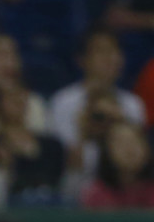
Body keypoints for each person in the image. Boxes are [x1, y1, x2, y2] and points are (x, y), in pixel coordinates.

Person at [49, 28, 145, 171]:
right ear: (81, 59)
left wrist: (119, 123)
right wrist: (84, 131)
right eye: (102, 51)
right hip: (78, 185)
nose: (111, 58)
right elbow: (65, 163)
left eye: (115, 51)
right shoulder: (63, 102)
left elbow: (140, 163)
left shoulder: (133, 104)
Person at [0, 82, 65, 207]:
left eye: (21, 95)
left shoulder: (51, 145)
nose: (18, 100)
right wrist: (4, 168)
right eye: (10, 97)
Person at [80, 120, 154, 208]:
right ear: (107, 151)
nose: (130, 149)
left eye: (135, 141)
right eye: (121, 143)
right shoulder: (96, 194)